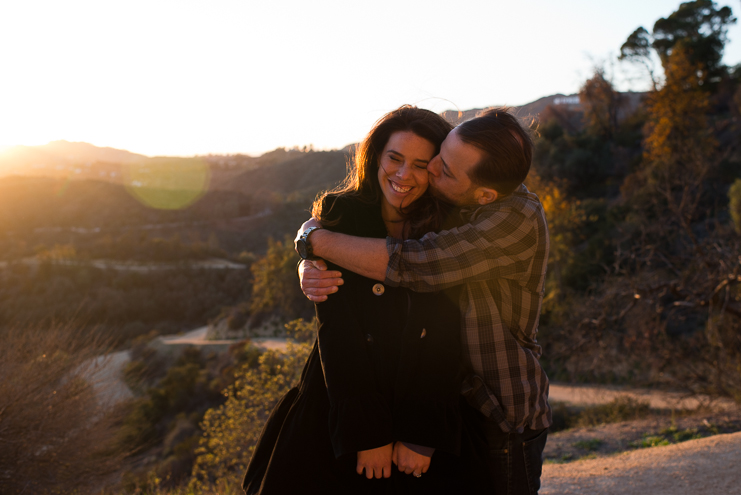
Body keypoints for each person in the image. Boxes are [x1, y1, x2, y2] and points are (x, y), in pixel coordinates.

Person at [297, 108, 552, 494]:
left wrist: (313, 242)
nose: (429, 171)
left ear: (483, 193)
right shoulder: (451, 202)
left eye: (443, 169)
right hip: (453, 403)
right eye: (439, 156)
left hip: (499, 412)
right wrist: (307, 258)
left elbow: (417, 264)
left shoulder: (514, 218)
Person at [243, 106, 490, 495]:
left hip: (425, 404)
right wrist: (365, 434)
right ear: (376, 156)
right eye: (394, 158)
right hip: (342, 406)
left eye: (421, 164)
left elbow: (447, 332)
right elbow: (339, 332)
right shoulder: (341, 216)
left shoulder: (453, 227)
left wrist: (422, 433)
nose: (403, 174)